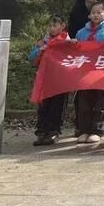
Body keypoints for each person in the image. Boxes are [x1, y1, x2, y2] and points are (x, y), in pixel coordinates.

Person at [74, 1, 104, 143]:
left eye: (99, 12)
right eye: (93, 12)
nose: (96, 15)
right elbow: (76, 50)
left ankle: (97, 130)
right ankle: (84, 130)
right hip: (85, 73)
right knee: (84, 102)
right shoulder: (82, 32)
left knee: (101, 102)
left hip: (102, 72)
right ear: (89, 15)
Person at [29, 15, 71, 146]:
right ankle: (41, 131)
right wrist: (39, 50)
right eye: (50, 26)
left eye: (55, 25)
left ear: (62, 26)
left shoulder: (67, 41)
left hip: (60, 81)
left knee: (57, 107)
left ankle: (53, 131)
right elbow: (32, 59)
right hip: (45, 80)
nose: (52, 28)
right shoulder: (43, 42)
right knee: (43, 107)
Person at [67, 0, 99, 138]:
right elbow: (72, 34)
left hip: (100, 59)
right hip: (81, 58)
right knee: (82, 92)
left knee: (99, 93)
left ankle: (96, 127)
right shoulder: (76, 12)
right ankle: (81, 126)